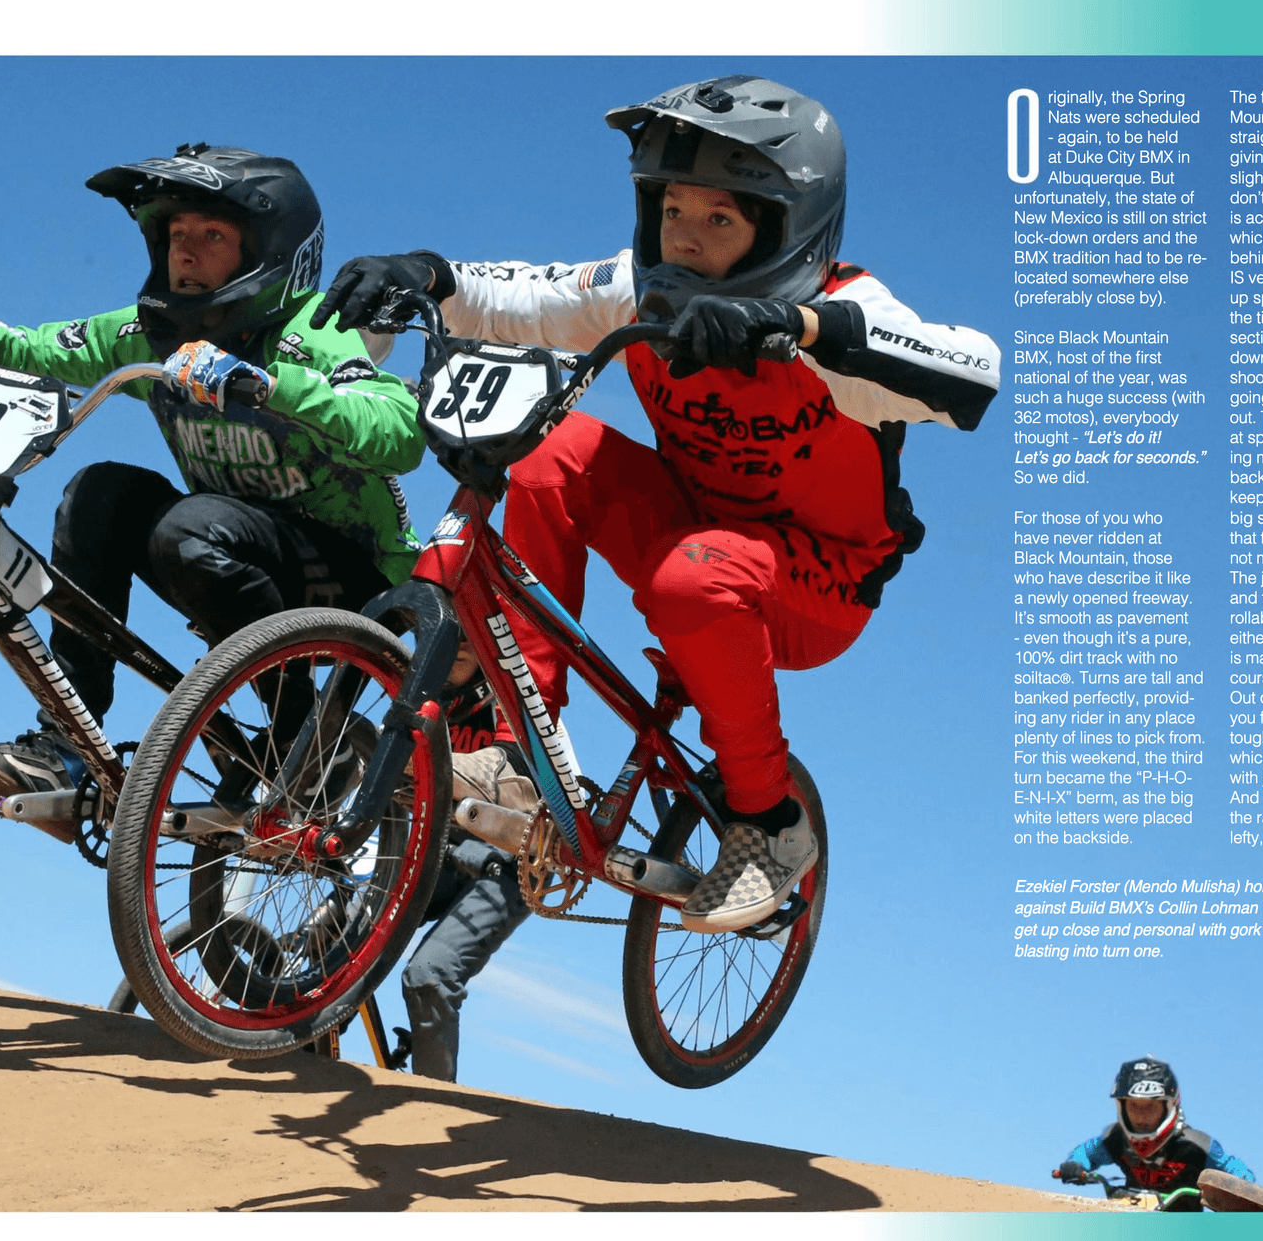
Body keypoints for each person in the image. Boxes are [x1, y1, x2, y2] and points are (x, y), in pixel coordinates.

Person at [315, 76, 1000, 932]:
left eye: (720, 218)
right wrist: (425, 271)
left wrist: (801, 328)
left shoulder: (841, 307)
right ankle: (522, 750)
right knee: (546, 450)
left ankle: (770, 821)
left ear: (785, 228)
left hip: (818, 583)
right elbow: (520, 296)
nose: (685, 236)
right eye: (672, 209)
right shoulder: (639, 290)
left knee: (695, 575)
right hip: (694, 527)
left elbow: (973, 368)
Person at [0, 144, 423, 834]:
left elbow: (401, 431)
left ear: (268, 250)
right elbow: (35, 348)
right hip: (227, 549)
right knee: (98, 494)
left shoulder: (314, 332)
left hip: (355, 581)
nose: (186, 251)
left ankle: (308, 741)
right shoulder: (151, 334)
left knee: (190, 527)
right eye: (176, 233)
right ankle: (68, 746)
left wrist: (272, 386)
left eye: (212, 234)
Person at [397, 641, 529, 1082]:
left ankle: (432, 1104)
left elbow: (521, 774)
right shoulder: (425, 694)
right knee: (342, 933)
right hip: (440, 850)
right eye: (453, 632)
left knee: (429, 975)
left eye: (471, 638)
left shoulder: (511, 690)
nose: (459, 646)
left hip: (509, 862)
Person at [1053, 1057, 1256, 1194]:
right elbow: (1087, 1153)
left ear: (1170, 1106)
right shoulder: (1115, 1138)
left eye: (1150, 1106)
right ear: (1122, 1107)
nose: (1141, 1115)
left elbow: (1233, 1170)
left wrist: (1241, 1186)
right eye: (1134, 1106)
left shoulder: (1196, 1146)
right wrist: (1075, 1164)